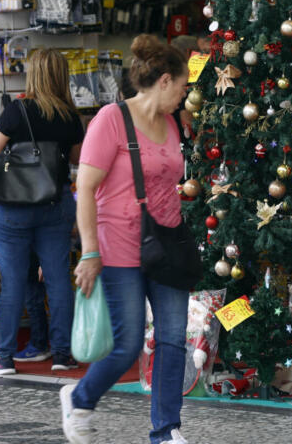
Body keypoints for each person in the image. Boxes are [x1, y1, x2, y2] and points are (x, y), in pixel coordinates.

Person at [60, 34, 190, 444]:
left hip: (167, 246)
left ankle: (165, 431)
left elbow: (168, 179)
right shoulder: (110, 120)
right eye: (184, 86)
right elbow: (85, 189)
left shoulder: (171, 123)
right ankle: (80, 398)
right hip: (118, 247)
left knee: (173, 338)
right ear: (165, 80)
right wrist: (90, 252)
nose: (185, 95)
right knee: (127, 342)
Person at [0, 48, 84, 374]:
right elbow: (79, 161)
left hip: (12, 209)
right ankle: (63, 355)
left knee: (13, 283)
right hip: (56, 204)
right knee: (58, 281)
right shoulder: (70, 116)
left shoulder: (16, 111)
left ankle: (4, 357)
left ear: (33, 74)